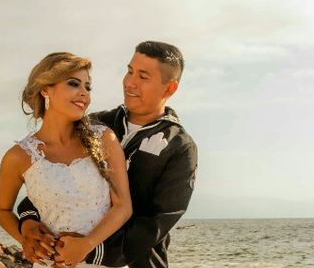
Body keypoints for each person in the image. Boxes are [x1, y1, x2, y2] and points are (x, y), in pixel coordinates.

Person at [18, 41, 198, 268]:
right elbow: (50, 183)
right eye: (129, 71)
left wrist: (90, 249)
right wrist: (27, 221)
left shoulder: (180, 148)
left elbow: (156, 223)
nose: (130, 82)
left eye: (143, 77)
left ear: (169, 89)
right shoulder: (93, 124)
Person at [0, 52, 132, 268]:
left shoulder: (104, 138)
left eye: (88, 87)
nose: (84, 94)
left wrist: (86, 245)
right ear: (45, 89)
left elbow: (123, 206)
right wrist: (26, 239)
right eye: (74, 84)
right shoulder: (18, 156)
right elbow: (2, 211)